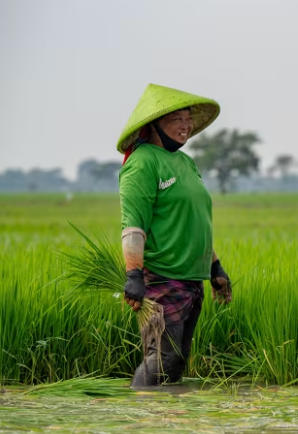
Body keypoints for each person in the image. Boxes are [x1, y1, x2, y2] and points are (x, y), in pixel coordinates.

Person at [116, 83, 233, 387]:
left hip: (191, 279)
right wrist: (134, 276)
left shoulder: (185, 162)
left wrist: (214, 267)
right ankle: (140, 415)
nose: (186, 125)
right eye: (177, 119)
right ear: (154, 124)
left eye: (188, 118)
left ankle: (167, 419)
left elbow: (195, 223)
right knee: (161, 360)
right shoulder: (142, 163)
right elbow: (133, 225)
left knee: (177, 359)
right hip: (162, 277)